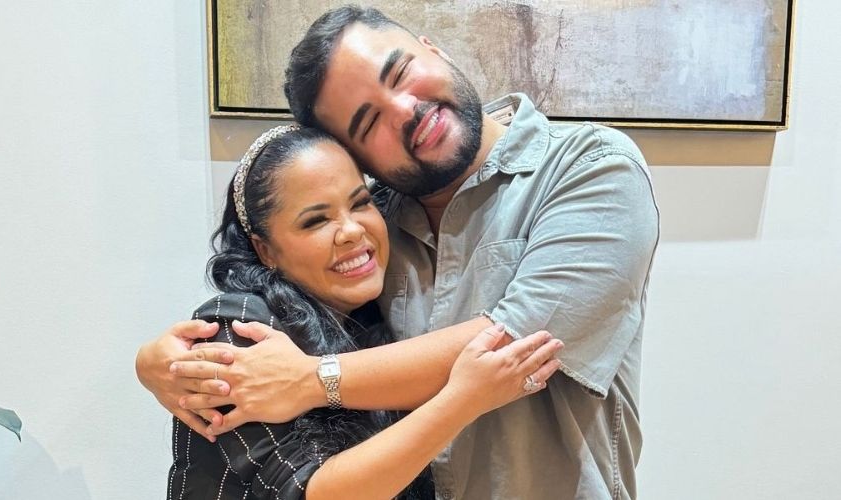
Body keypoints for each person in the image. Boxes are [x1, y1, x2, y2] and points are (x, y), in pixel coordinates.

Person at [138, 5, 660, 499]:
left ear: (434, 49)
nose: (407, 110)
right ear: (358, 157)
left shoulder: (589, 168)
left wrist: (310, 381)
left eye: (401, 71)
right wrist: (159, 364)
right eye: (368, 124)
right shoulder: (376, 224)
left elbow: (515, 342)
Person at [162, 124, 563, 499]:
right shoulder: (237, 329)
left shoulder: (376, 315)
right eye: (316, 220)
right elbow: (311, 492)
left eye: (360, 203)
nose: (352, 230)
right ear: (265, 249)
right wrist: (464, 399)